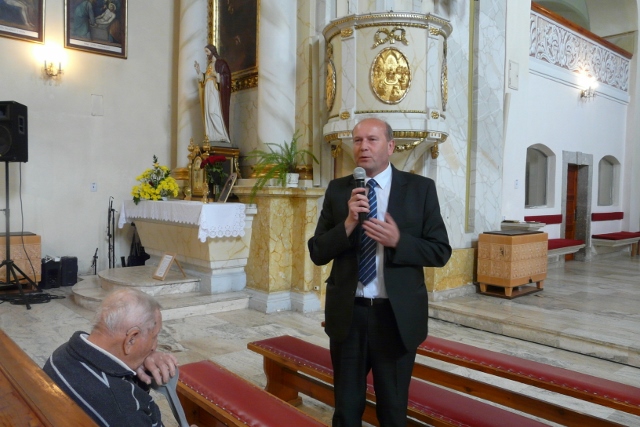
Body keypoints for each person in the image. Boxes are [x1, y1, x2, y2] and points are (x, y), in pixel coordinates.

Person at [308, 118, 451, 427]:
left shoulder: (420, 189)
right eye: (358, 140)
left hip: (395, 318)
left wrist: (399, 241)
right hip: (350, 316)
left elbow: (441, 251)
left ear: (390, 146)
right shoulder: (338, 190)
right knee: (346, 410)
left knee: (393, 411)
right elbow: (317, 252)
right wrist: (348, 224)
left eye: (372, 139)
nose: (363, 146)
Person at [43, 288, 180, 427]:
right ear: (131, 339)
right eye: (154, 337)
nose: (154, 347)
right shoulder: (125, 410)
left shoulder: (62, 354)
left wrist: (135, 362)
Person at [194, 45, 231, 144]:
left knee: (213, 111)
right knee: (208, 113)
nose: (206, 54)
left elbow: (226, 76)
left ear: (212, 51)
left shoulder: (221, 63)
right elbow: (204, 78)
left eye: (207, 51)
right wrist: (198, 71)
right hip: (208, 88)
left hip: (214, 89)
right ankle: (212, 135)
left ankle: (221, 134)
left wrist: (217, 75)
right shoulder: (210, 65)